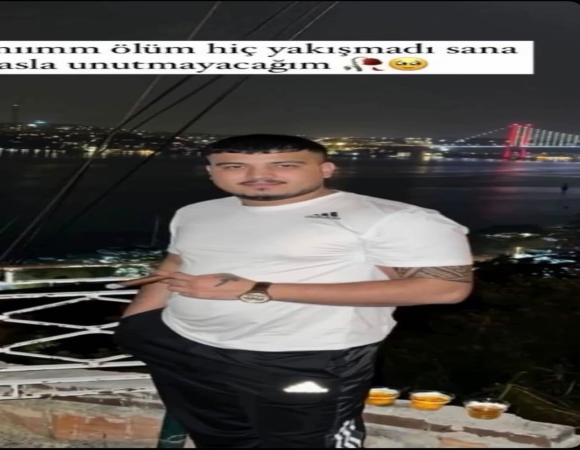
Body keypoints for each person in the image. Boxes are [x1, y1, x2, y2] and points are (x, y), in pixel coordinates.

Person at [115, 134, 473, 448]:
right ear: (212, 172)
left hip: (303, 357)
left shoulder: (393, 218)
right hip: (184, 347)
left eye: (285, 164)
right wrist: (138, 321)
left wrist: (258, 289)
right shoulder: (196, 212)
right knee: (221, 438)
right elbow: (176, 263)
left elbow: (445, 288)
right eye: (234, 166)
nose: (258, 175)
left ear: (326, 169)